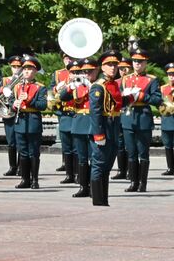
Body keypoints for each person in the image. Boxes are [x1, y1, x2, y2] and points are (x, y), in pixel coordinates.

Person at [120, 47, 162, 192]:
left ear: (145, 63)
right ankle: (133, 182)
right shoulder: (125, 79)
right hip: (128, 118)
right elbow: (118, 98)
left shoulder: (152, 80)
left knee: (143, 153)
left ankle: (142, 183)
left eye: (140, 61)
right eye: (135, 61)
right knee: (131, 152)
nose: (137, 64)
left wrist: (142, 96)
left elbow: (157, 99)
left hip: (143, 117)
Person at [88, 51, 127, 207]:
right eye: (109, 65)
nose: (113, 67)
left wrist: (130, 98)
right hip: (103, 127)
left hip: (113, 127)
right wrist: (98, 134)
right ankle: (98, 199)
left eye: (115, 65)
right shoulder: (98, 86)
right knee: (98, 164)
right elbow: (95, 112)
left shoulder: (113, 84)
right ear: (102, 67)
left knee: (108, 165)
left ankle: (104, 198)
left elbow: (116, 104)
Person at [60, 56, 96, 198]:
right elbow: (62, 97)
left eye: (89, 71)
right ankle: (83, 186)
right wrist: (70, 86)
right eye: (84, 71)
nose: (86, 74)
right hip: (79, 123)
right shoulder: (77, 85)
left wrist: (90, 85)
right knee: (82, 158)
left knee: (94, 158)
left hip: (93, 123)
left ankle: (94, 187)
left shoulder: (99, 85)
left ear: (96, 71)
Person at [12, 54, 48, 189]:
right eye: (25, 69)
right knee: (23, 152)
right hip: (20, 121)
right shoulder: (17, 87)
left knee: (33, 152)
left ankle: (35, 180)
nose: (26, 71)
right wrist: (15, 104)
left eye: (29, 69)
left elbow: (42, 105)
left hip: (33, 121)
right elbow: (11, 105)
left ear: (35, 71)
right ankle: (24, 179)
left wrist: (29, 99)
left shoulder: (40, 87)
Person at [52, 54, 78, 184]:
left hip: (76, 115)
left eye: (75, 72)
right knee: (66, 147)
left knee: (77, 147)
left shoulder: (81, 84)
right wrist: (57, 89)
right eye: (71, 72)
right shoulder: (61, 78)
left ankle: (78, 174)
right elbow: (54, 96)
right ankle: (69, 174)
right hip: (65, 116)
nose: (73, 75)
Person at [0, 53, 22, 176]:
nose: (16, 69)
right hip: (8, 113)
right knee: (11, 141)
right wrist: (3, 89)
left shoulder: (24, 80)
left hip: (21, 113)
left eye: (19, 66)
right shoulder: (5, 80)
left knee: (20, 141)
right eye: (14, 67)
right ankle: (12, 167)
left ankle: (21, 167)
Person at [113, 57, 133, 179]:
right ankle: (121, 170)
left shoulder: (132, 81)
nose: (123, 71)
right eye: (120, 68)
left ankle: (131, 171)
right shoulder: (116, 83)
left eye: (126, 68)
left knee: (130, 145)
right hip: (119, 115)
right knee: (119, 144)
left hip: (129, 115)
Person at [161, 62, 174, 177]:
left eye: (173, 74)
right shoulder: (163, 88)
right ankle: (170, 167)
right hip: (167, 119)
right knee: (168, 145)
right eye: (170, 74)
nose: (171, 76)